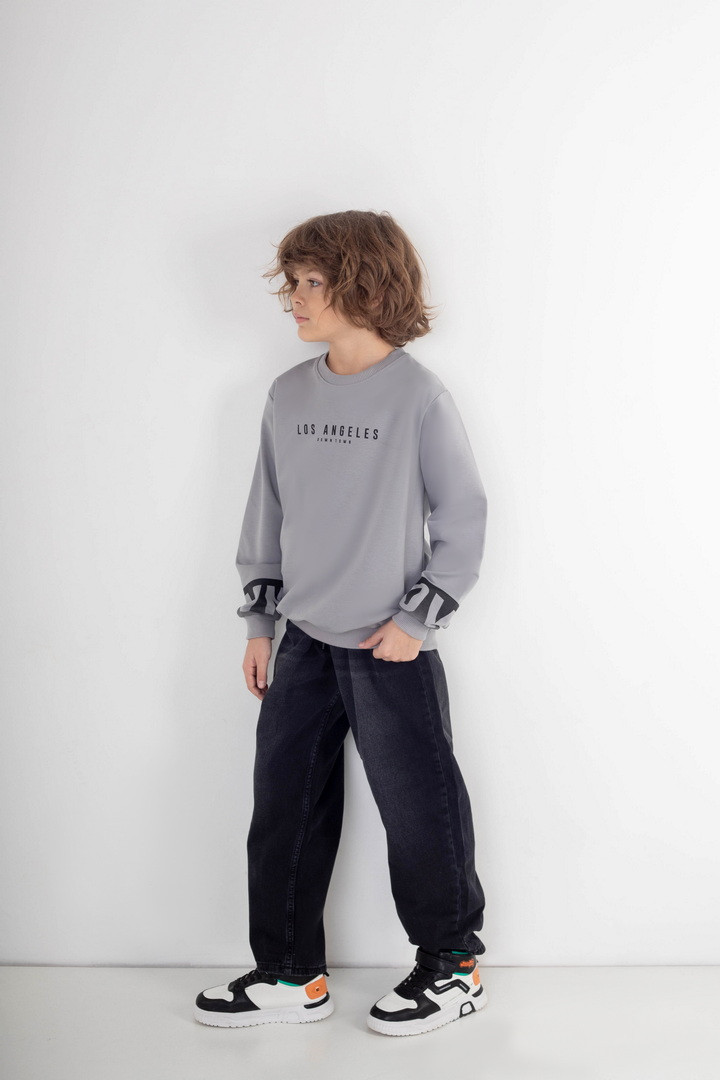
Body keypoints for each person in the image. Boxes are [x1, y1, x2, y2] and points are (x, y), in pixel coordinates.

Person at [194, 210, 489, 1037]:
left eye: (312, 281)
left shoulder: (419, 395)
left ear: (366, 285)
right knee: (283, 809)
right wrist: (259, 624)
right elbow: (267, 511)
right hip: (302, 642)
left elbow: (463, 516)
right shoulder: (288, 394)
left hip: (389, 645)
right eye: (292, 282)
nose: (294, 297)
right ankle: (290, 972)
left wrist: (417, 620)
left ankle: (453, 965)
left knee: (420, 808)